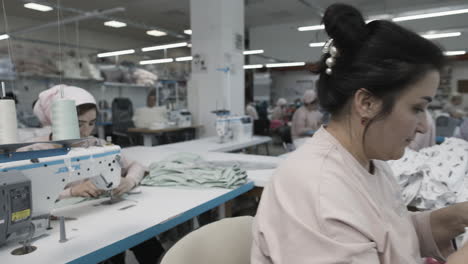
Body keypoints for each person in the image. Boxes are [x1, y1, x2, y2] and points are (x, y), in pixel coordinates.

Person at [251, 4, 468, 264]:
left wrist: (454, 218)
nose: (423, 126)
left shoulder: (369, 160)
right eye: (417, 108)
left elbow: (387, 234)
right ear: (366, 103)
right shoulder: (318, 192)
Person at [20, 84, 164, 264]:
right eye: (79, 124)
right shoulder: (31, 151)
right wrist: (71, 192)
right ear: (58, 119)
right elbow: (23, 198)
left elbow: (136, 165)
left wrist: (129, 180)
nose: (86, 131)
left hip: (95, 217)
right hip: (58, 229)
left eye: (91, 123)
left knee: (143, 237)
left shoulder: (94, 144)